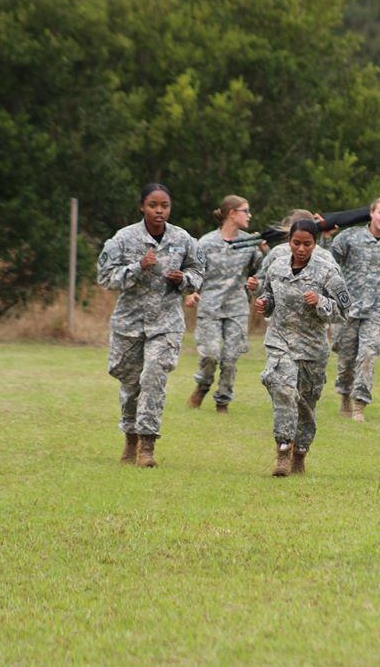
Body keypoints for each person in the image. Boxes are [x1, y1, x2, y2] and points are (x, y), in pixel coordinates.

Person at [97, 183, 204, 468]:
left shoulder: (183, 239)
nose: (159, 211)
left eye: (164, 206)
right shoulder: (123, 239)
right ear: (142, 207)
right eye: (153, 205)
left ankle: (147, 445)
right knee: (131, 384)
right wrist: (137, 267)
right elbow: (105, 277)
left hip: (166, 324)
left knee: (153, 378)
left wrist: (184, 280)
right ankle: (130, 437)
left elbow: (199, 272)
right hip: (129, 325)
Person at [256, 219, 351, 477]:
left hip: (311, 348)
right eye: (296, 243)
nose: (300, 249)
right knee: (284, 389)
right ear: (289, 242)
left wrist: (320, 301)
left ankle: (301, 451)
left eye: (306, 244)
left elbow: (344, 309)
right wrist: (264, 303)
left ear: (315, 243)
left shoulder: (327, 271)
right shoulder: (276, 267)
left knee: (306, 404)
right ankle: (283, 450)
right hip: (280, 341)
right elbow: (269, 297)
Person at [186, 195, 264, 413]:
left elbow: (263, 270)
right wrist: (191, 292)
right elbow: (194, 270)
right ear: (232, 213)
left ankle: (223, 402)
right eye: (245, 211)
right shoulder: (206, 243)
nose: (250, 215)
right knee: (210, 354)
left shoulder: (249, 242)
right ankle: (202, 387)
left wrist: (262, 260)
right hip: (210, 306)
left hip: (237, 308)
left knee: (230, 358)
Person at [330, 197, 380, 421]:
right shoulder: (350, 237)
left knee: (368, 354)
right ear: (371, 213)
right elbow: (330, 263)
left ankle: (359, 404)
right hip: (347, 308)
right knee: (346, 358)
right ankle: (345, 396)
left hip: (377, 309)